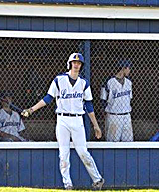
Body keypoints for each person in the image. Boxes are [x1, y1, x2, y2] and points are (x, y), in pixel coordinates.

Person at [21, 53, 104, 190]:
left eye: (79, 63)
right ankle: (68, 184)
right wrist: (31, 110)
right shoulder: (59, 80)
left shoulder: (84, 83)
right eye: (74, 62)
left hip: (78, 120)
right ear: (70, 64)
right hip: (62, 119)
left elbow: (89, 106)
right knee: (63, 154)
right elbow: (48, 98)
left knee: (83, 152)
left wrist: (96, 125)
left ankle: (97, 179)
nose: (76, 65)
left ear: (81, 65)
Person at [101, 60, 134, 142]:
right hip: (113, 116)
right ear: (123, 68)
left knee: (128, 143)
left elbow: (129, 99)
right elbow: (102, 100)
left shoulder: (129, 83)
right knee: (112, 143)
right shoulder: (109, 82)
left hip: (127, 115)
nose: (129, 70)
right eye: (128, 68)